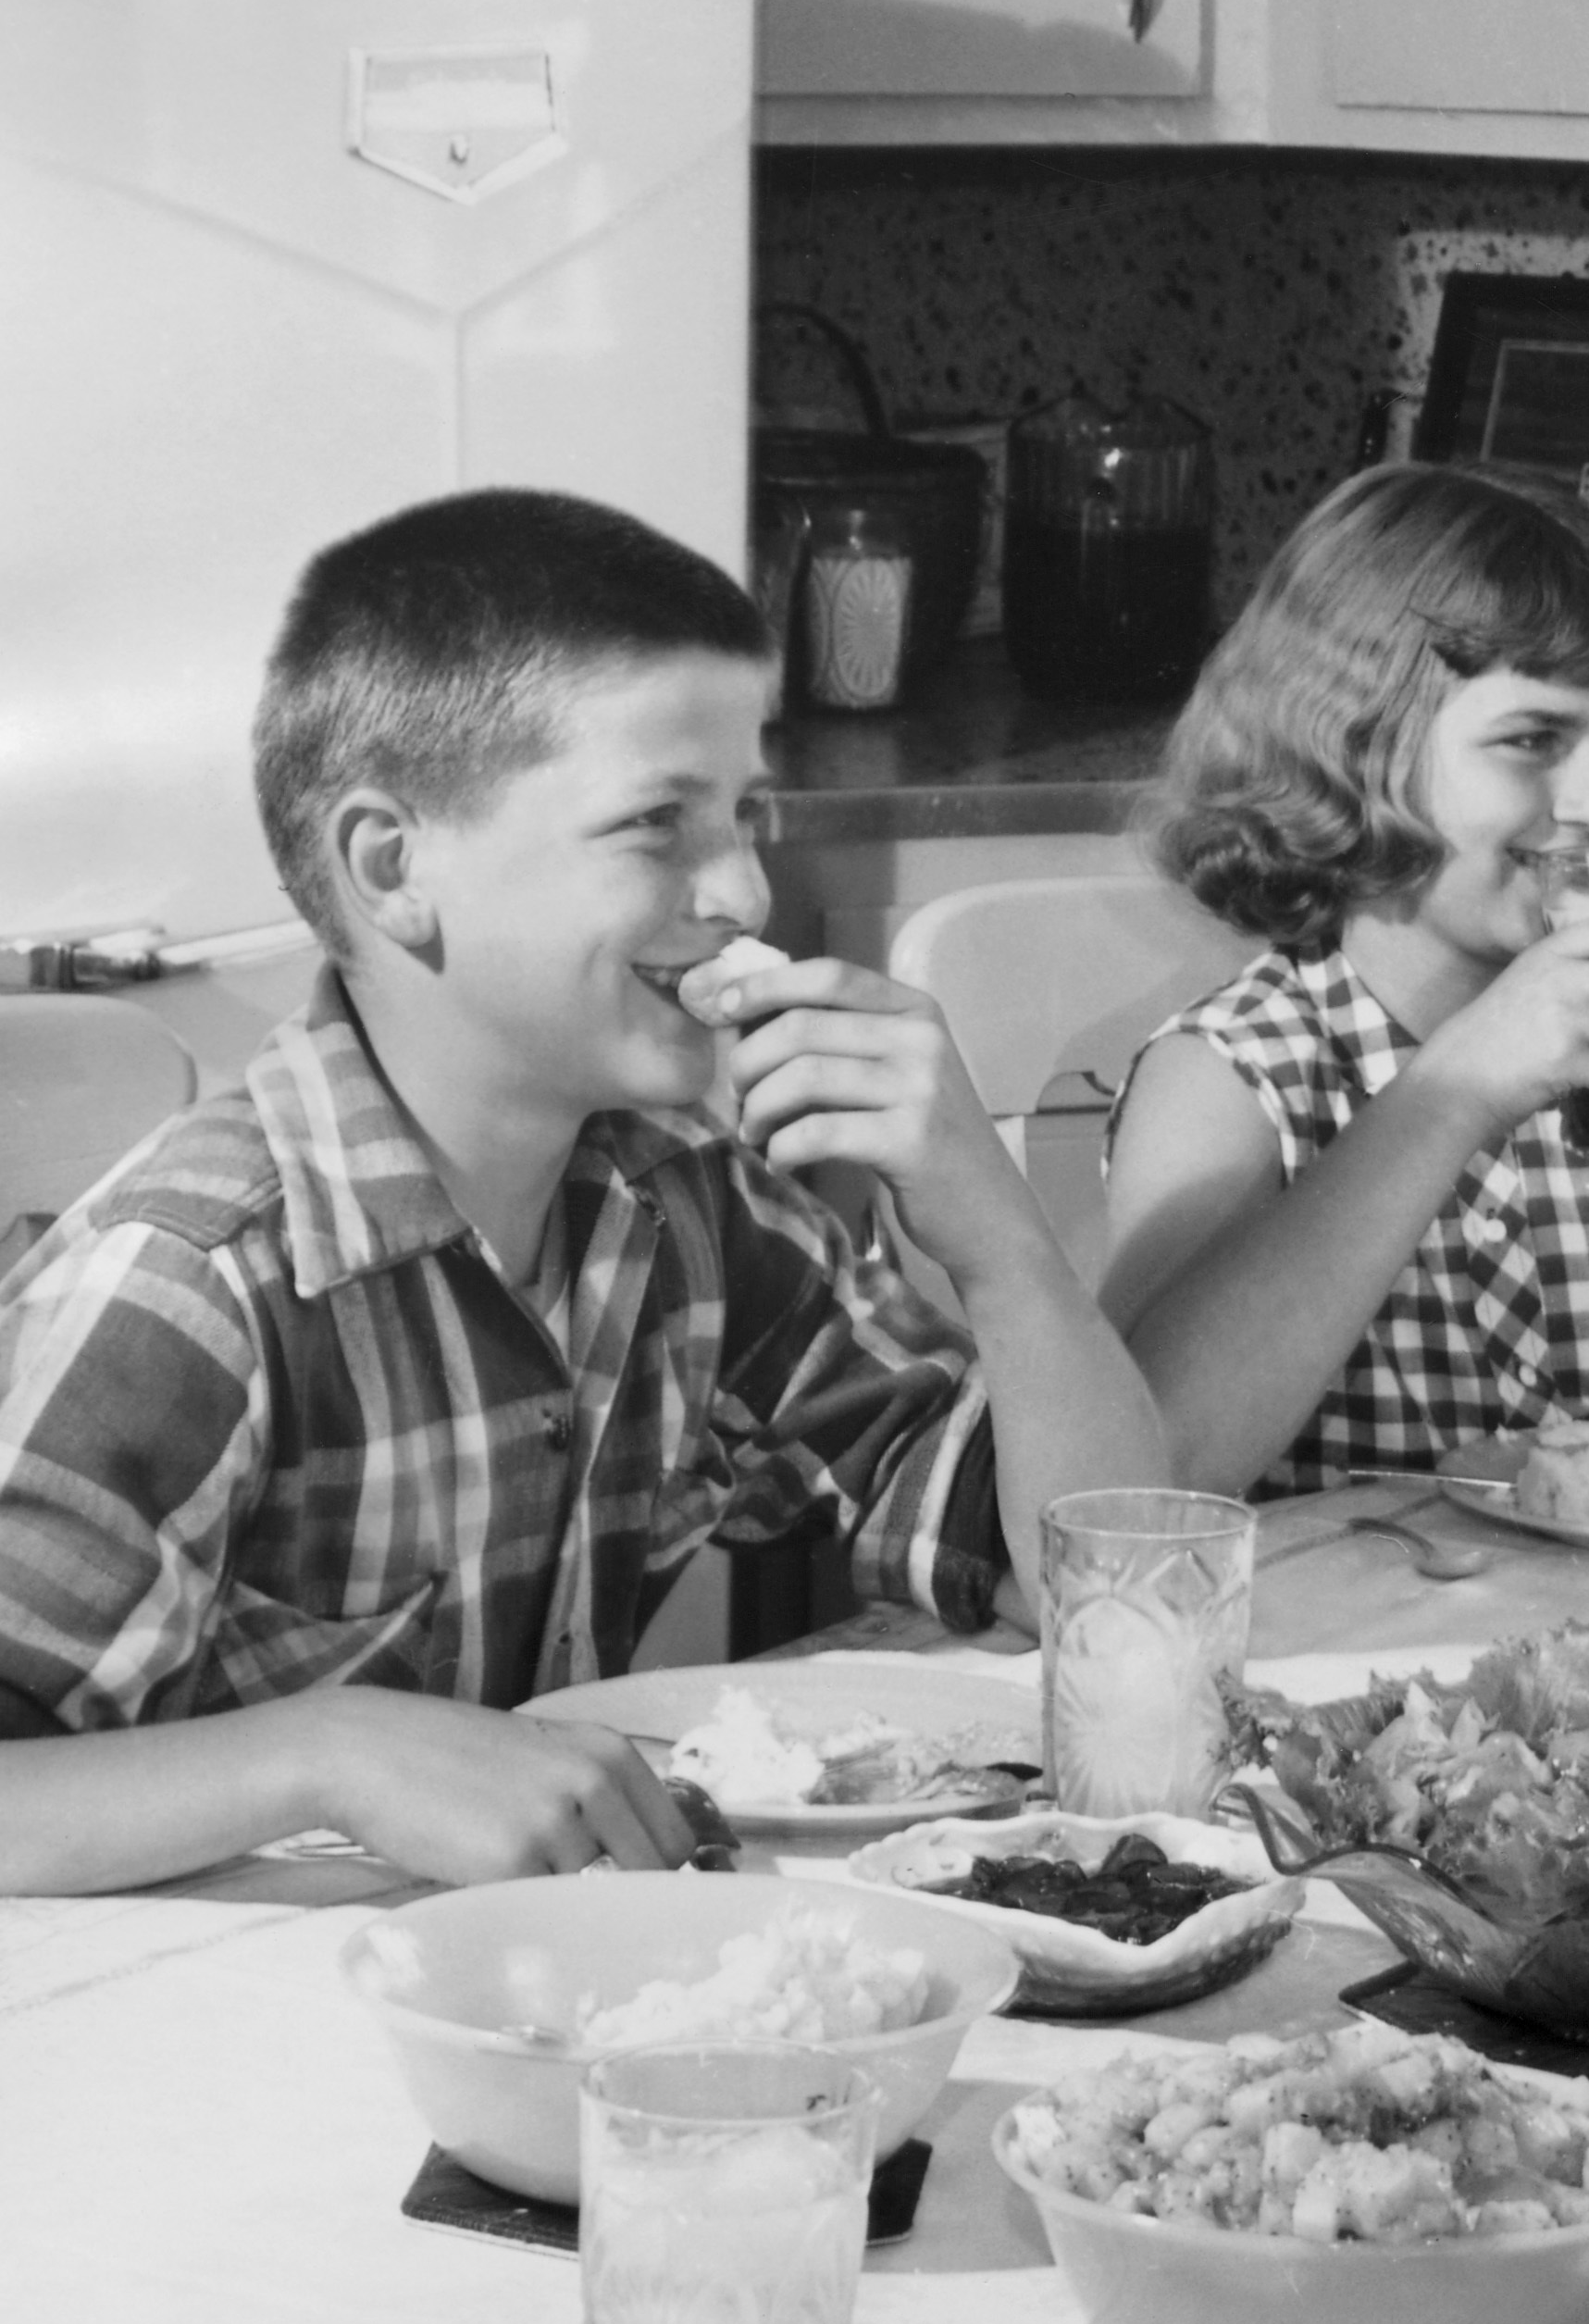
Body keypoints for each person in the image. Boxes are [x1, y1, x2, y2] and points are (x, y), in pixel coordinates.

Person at [0, 491, 1163, 1895]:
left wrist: (1001, 1247)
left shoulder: (690, 1202)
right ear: (395, 867)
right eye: (655, 825)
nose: (742, 887)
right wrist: (322, 1750)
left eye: (747, 815)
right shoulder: (192, 1279)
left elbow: (1102, 1606)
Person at [1099, 467, 1589, 1489]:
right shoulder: (1234, 1077)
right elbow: (1142, 1484)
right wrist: (1456, 1088)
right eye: (1533, 739)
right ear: (1354, 743)